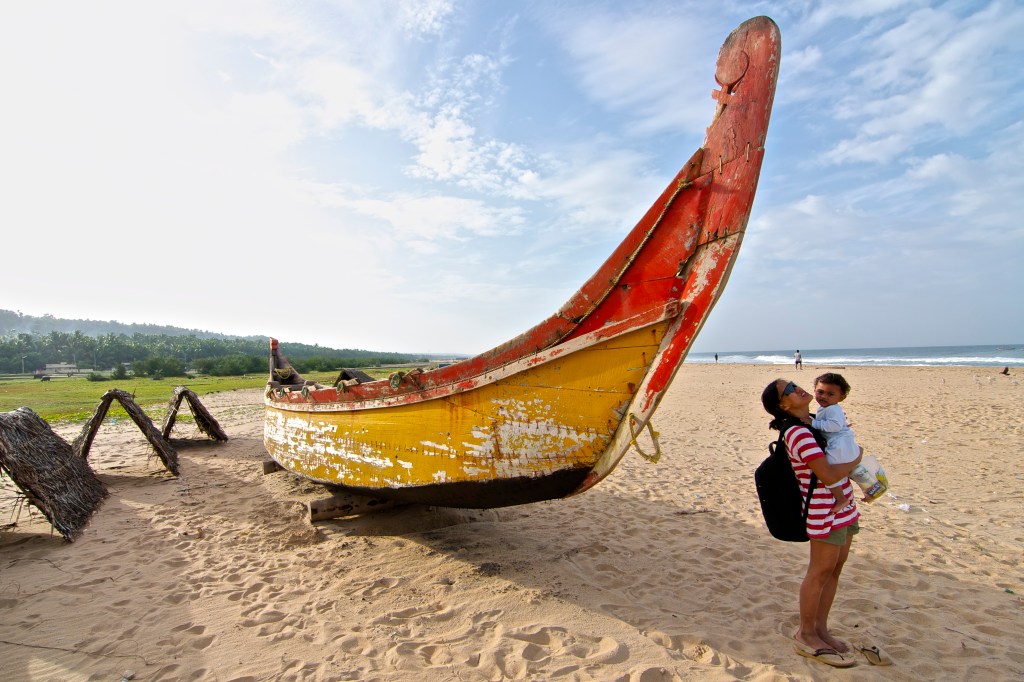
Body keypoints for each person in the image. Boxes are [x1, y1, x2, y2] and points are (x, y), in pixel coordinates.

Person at [761, 378, 863, 668]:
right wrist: (858, 456)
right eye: (788, 390)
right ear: (783, 405)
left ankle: (821, 629)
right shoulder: (798, 433)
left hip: (843, 507)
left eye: (794, 383)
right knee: (819, 573)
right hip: (823, 512)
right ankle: (805, 633)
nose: (797, 388)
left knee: (834, 570)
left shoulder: (817, 422)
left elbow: (837, 458)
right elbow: (828, 475)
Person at [810, 373, 864, 513]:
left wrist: (813, 423)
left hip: (840, 445)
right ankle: (869, 490)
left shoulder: (832, 409)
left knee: (828, 471)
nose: (824, 396)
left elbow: (835, 426)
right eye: (820, 392)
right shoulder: (827, 408)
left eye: (830, 394)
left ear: (841, 397)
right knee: (852, 471)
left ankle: (841, 498)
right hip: (844, 444)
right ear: (814, 390)